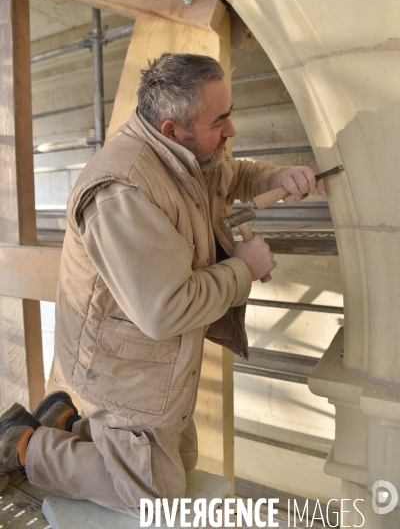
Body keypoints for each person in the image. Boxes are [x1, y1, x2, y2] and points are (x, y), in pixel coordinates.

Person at [0, 53, 324, 516]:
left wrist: (278, 177)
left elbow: (233, 174)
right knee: (157, 497)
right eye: (222, 120)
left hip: (153, 363)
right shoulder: (122, 191)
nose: (231, 131)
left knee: (184, 458)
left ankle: (66, 424)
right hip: (118, 366)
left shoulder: (189, 152)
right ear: (172, 129)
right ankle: (24, 444)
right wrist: (243, 269)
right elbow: (166, 309)